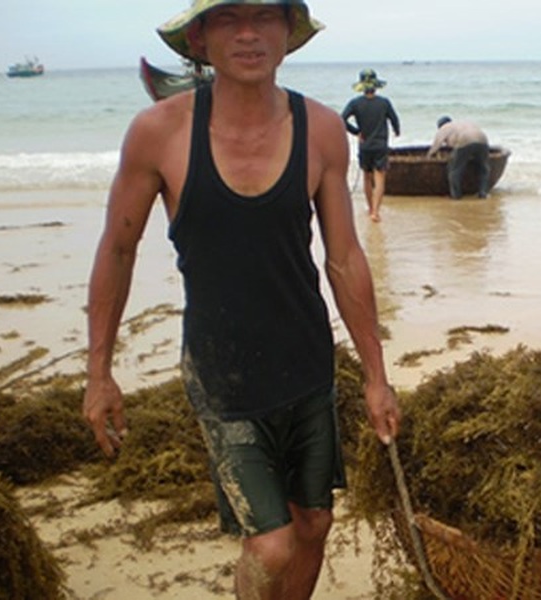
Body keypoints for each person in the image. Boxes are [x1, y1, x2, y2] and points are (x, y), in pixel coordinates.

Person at [81, 2, 401, 599]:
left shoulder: (320, 128)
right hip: (222, 372)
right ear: (199, 38)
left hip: (307, 364)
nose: (249, 33)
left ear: (287, 32)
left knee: (315, 523)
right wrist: (99, 373)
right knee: (271, 544)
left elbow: (344, 258)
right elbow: (118, 250)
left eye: (264, 17)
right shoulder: (159, 132)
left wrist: (375, 376)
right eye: (229, 18)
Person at [341, 69, 401, 222]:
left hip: (365, 146)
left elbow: (341, 119)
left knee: (367, 178)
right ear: (376, 86)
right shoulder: (384, 103)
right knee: (379, 178)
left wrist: (356, 132)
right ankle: (376, 211)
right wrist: (397, 131)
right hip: (380, 145)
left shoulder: (355, 103)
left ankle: (370, 208)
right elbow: (394, 120)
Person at [428, 115, 491, 199]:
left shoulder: (444, 128)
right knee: (483, 168)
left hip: (465, 139)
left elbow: (435, 146)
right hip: (482, 139)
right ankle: (483, 193)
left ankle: (456, 195)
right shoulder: (461, 124)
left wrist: (429, 156)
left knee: (455, 170)